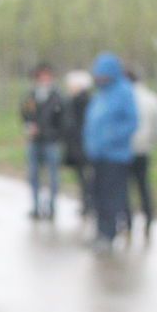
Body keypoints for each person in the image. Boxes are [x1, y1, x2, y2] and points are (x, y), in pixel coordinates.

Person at [83, 52, 138, 251]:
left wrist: (110, 137)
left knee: (111, 197)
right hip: (97, 155)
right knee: (97, 195)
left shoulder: (124, 91)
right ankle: (100, 232)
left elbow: (131, 122)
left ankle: (109, 234)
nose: (100, 77)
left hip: (116, 156)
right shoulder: (101, 93)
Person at [20, 63, 65, 220]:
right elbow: (24, 114)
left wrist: (50, 133)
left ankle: (51, 207)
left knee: (53, 176)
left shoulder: (57, 96)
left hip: (51, 141)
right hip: (34, 141)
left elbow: (62, 120)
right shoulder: (31, 96)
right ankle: (36, 206)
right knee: (34, 175)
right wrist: (29, 127)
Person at [127, 71, 157, 239]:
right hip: (144, 149)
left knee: (124, 187)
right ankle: (148, 217)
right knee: (143, 185)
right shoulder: (152, 98)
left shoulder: (123, 97)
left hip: (124, 149)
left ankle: (127, 221)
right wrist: (153, 141)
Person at [62, 70, 95, 217]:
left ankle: (89, 204)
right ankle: (86, 203)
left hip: (82, 145)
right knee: (83, 177)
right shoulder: (75, 101)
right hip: (77, 145)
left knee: (86, 177)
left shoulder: (83, 101)